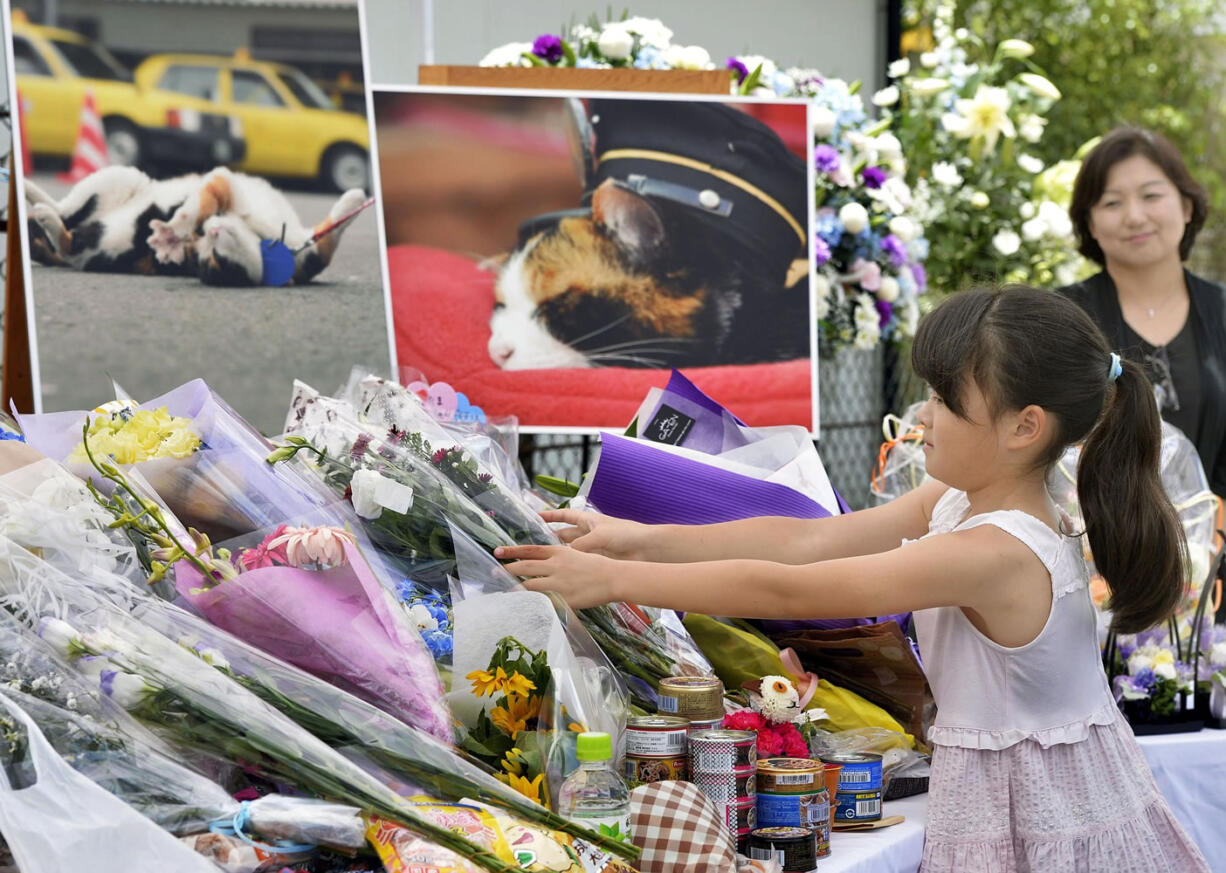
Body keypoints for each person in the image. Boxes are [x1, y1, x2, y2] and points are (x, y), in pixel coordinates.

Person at [496, 286, 1210, 872]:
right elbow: (808, 538)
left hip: (1037, 806)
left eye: (945, 401)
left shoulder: (996, 548)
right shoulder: (963, 499)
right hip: (1032, 790)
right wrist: (636, 538)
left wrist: (613, 576)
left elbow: (793, 589)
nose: (922, 416)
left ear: (1024, 428)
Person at [1057, 125, 1226, 497]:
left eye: (1151, 196)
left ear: (1186, 206)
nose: (1134, 216)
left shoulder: (1222, 310)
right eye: (1112, 203)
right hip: (1088, 543)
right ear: (1091, 224)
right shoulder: (1060, 318)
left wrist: (1213, 529)